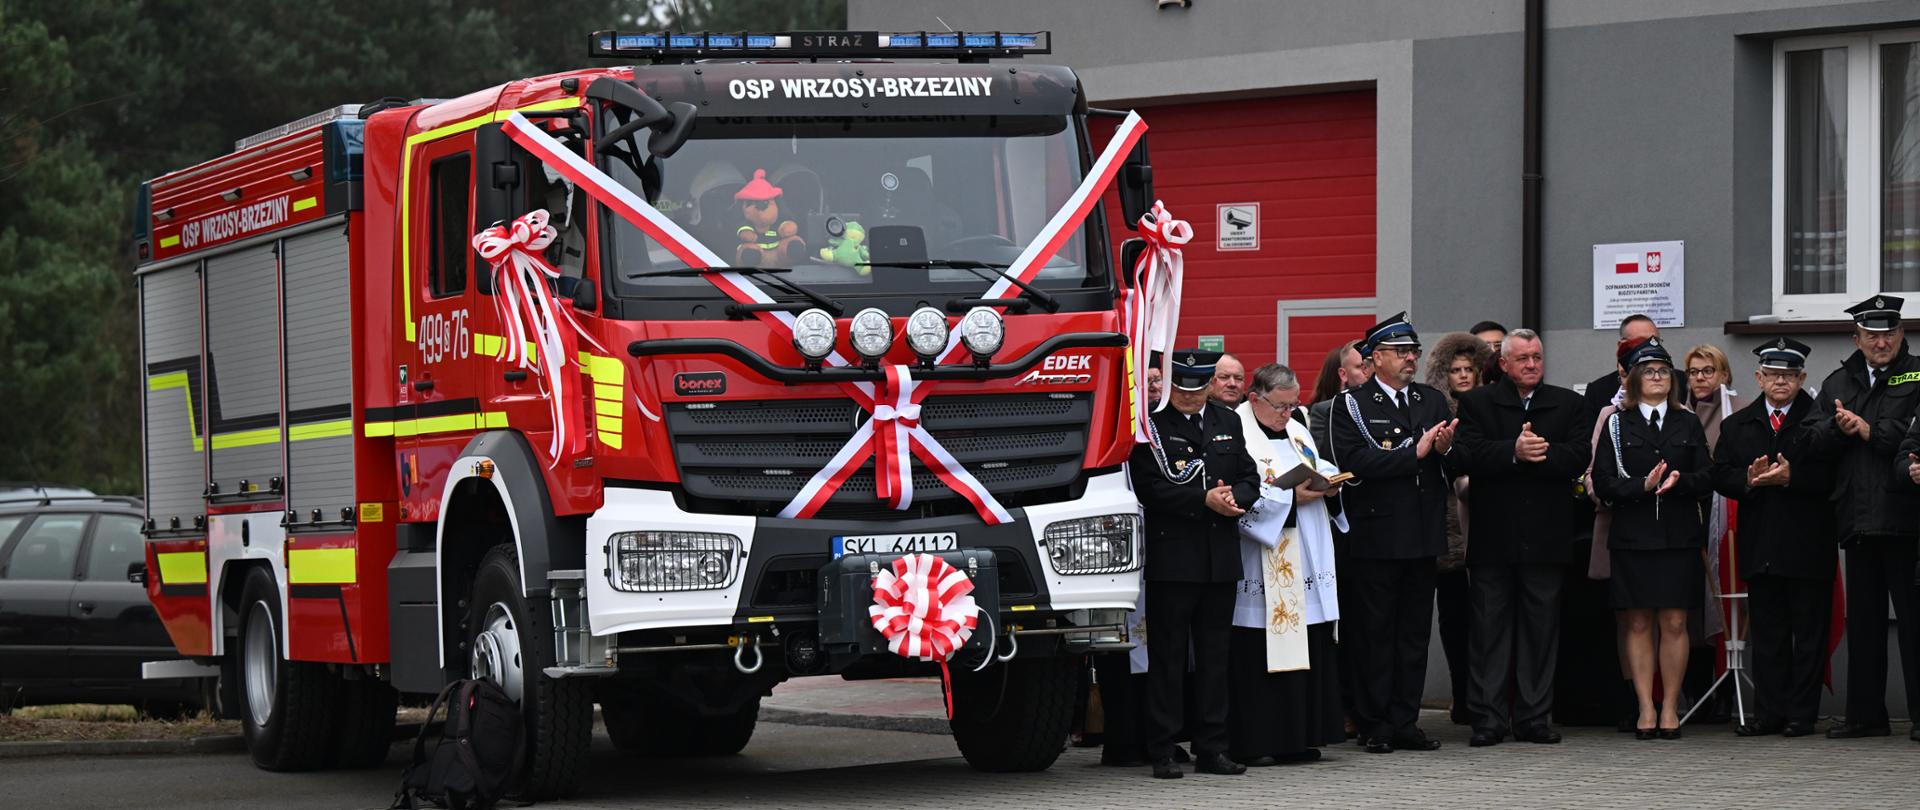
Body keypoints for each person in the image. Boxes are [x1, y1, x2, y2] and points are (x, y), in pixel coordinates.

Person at [1452, 328, 1593, 746]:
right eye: (1523, 358)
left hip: (1547, 537)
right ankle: (1489, 719)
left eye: (1537, 357)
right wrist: (1512, 452)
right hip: (1494, 536)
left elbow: (1579, 454)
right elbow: (1466, 454)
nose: (1532, 364)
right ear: (1505, 364)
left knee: (1540, 631)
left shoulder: (1568, 403)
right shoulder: (1477, 403)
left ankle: (1534, 718)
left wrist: (1538, 453)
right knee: (1489, 631)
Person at [1327, 313, 1457, 754]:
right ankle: (1375, 722)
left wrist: (1441, 452)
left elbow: (1448, 463)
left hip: (1422, 534)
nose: (1410, 359)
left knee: (1414, 634)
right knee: (1375, 634)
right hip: (1378, 536)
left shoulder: (1432, 401)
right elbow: (1354, 463)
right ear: (1375, 357)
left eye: (1414, 352)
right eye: (1401, 352)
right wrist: (1413, 453)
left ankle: (1406, 720)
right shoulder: (1352, 405)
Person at [1128, 349, 1259, 778]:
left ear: (1208, 385)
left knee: (1215, 658)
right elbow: (1149, 488)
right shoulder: (1152, 425)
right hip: (1174, 557)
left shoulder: (1228, 421)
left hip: (1220, 558)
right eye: (1180, 388)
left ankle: (1212, 747)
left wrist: (1235, 498)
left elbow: (1248, 476)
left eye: (1196, 388)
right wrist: (1201, 500)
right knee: (1167, 659)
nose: (1188, 396)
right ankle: (1163, 748)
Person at [1710, 338, 1835, 738]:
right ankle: (1769, 713)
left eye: (1790, 375)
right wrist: (1746, 479)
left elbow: (1834, 478)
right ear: (1759, 377)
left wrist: (1792, 478)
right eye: (1774, 375)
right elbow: (1720, 475)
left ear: (1802, 379)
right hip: (1761, 543)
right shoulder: (1737, 424)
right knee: (1767, 632)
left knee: (1808, 634)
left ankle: (1802, 715)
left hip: (1808, 543)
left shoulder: (1821, 422)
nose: (1781, 382)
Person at [1589, 337, 1712, 740]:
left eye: (1663, 370)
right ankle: (1645, 707)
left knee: (1675, 622)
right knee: (1638, 622)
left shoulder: (1687, 422)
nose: (1657, 376)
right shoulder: (1617, 423)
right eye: (1649, 371)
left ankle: (1671, 706)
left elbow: (1707, 478)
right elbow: (1603, 483)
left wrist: (1679, 483)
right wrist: (1642, 485)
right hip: (1633, 536)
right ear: (1635, 378)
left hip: (1677, 536)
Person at [1226, 364, 1347, 766]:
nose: (1288, 413)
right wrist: (1291, 499)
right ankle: (1258, 739)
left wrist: (1327, 480)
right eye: (1281, 406)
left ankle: (1300, 736)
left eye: (1294, 404)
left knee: (1308, 640)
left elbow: (1313, 464)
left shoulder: (1297, 429)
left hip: (1306, 549)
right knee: (1259, 648)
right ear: (1255, 399)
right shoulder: (1237, 430)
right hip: (1265, 553)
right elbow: (1241, 487)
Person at [1826, 294, 1920, 740]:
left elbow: (1908, 435)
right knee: (1862, 624)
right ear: (1856, 338)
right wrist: (1834, 428)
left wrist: (1867, 430)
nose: (1880, 342)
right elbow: (1813, 438)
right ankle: (1865, 716)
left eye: (1888, 333)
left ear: (1901, 335)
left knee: (1914, 622)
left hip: (1906, 517)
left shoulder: (1918, 373)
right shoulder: (1838, 380)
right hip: (1857, 517)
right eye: (1871, 335)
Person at [1424, 332, 1492, 726]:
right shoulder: (1437, 411)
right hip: (1448, 531)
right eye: (1455, 370)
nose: (1463, 376)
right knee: (1454, 618)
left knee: (1485, 617)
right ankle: (1462, 694)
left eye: (1470, 369)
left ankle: (1486, 695)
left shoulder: (1488, 410)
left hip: (1485, 522)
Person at [1306, 340, 1371, 739]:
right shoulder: (1324, 414)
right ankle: (1345, 706)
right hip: (1341, 529)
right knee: (1344, 626)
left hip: (1378, 529)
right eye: (1361, 366)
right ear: (1343, 375)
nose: (1368, 372)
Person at [1681, 343, 1747, 722]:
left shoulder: (1737, 411)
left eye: (1708, 371)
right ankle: (1695, 691)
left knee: (1724, 602)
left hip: (1728, 520)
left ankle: (1726, 691)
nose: (1701, 378)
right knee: (1691, 604)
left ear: (1724, 375)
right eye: (1694, 371)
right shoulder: (1678, 412)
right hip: (1691, 516)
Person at [1586, 314, 1659, 415]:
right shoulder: (1598, 391)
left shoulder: (1680, 382)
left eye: (1656, 341)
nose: (1651, 347)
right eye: (1642, 342)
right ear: (1622, 346)